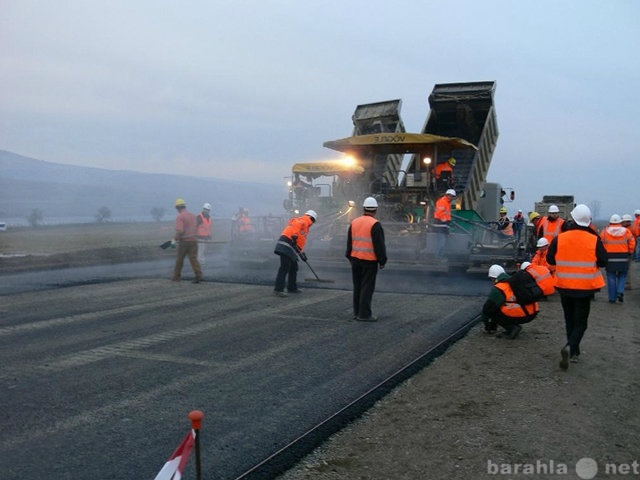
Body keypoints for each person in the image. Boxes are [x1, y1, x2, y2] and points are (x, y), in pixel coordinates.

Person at [546, 204, 607, 370]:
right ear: (587, 221)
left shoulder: (560, 238)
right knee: (581, 323)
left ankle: (573, 351)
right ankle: (571, 348)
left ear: (573, 219)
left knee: (569, 319)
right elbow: (603, 261)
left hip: (564, 286)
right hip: (585, 288)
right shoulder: (594, 239)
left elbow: (550, 260)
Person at [346, 197, 387, 322]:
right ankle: (364, 314)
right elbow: (379, 245)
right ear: (375, 210)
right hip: (369, 261)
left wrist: (349, 256)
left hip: (355, 259)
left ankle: (357, 312)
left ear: (363, 208)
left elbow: (349, 242)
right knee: (367, 287)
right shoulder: (375, 224)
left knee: (357, 286)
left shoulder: (354, 222)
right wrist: (382, 260)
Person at [480, 264, 539, 339]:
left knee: (494, 310)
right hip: (532, 312)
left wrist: (487, 324)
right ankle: (513, 325)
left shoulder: (499, 288)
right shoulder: (515, 281)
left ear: (493, 278)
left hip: (522, 314)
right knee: (505, 305)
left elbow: (487, 309)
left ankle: (512, 328)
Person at [273, 210, 316, 296]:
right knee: (284, 267)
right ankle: (278, 290)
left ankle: (292, 288)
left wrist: (301, 253)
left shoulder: (305, 226)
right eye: (313, 222)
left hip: (290, 246)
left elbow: (298, 242)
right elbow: (295, 229)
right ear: (312, 219)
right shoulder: (304, 220)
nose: (312, 224)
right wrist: (294, 236)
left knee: (294, 267)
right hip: (286, 244)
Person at [599, 214, 635, 302]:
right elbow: (632, 242)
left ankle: (612, 298)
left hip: (610, 257)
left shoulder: (604, 232)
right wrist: (630, 251)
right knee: (622, 275)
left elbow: (600, 245)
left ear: (610, 222)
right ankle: (619, 291)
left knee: (611, 276)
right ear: (620, 222)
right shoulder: (626, 231)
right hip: (623, 256)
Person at [172, 198, 203, 283]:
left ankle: (176, 277)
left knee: (180, 260)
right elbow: (196, 227)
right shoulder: (192, 215)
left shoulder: (180, 216)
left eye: (176, 208)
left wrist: (174, 240)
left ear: (178, 207)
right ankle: (198, 275)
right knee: (193, 259)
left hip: (185, 242)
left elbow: (180, 231)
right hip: (194, 240)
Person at [433, 189, 456, 260]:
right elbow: (440, 215)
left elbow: (446, 214)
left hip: (444, 224)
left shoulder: (447, 202)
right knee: (441, 243)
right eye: (451, 196)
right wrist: (446, 223)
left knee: (442, 242)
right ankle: (438, 257)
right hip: (440, 224)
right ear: (448, 195)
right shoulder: (442, 202)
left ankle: (440, 256)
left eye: (453, 197)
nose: (452, 198)